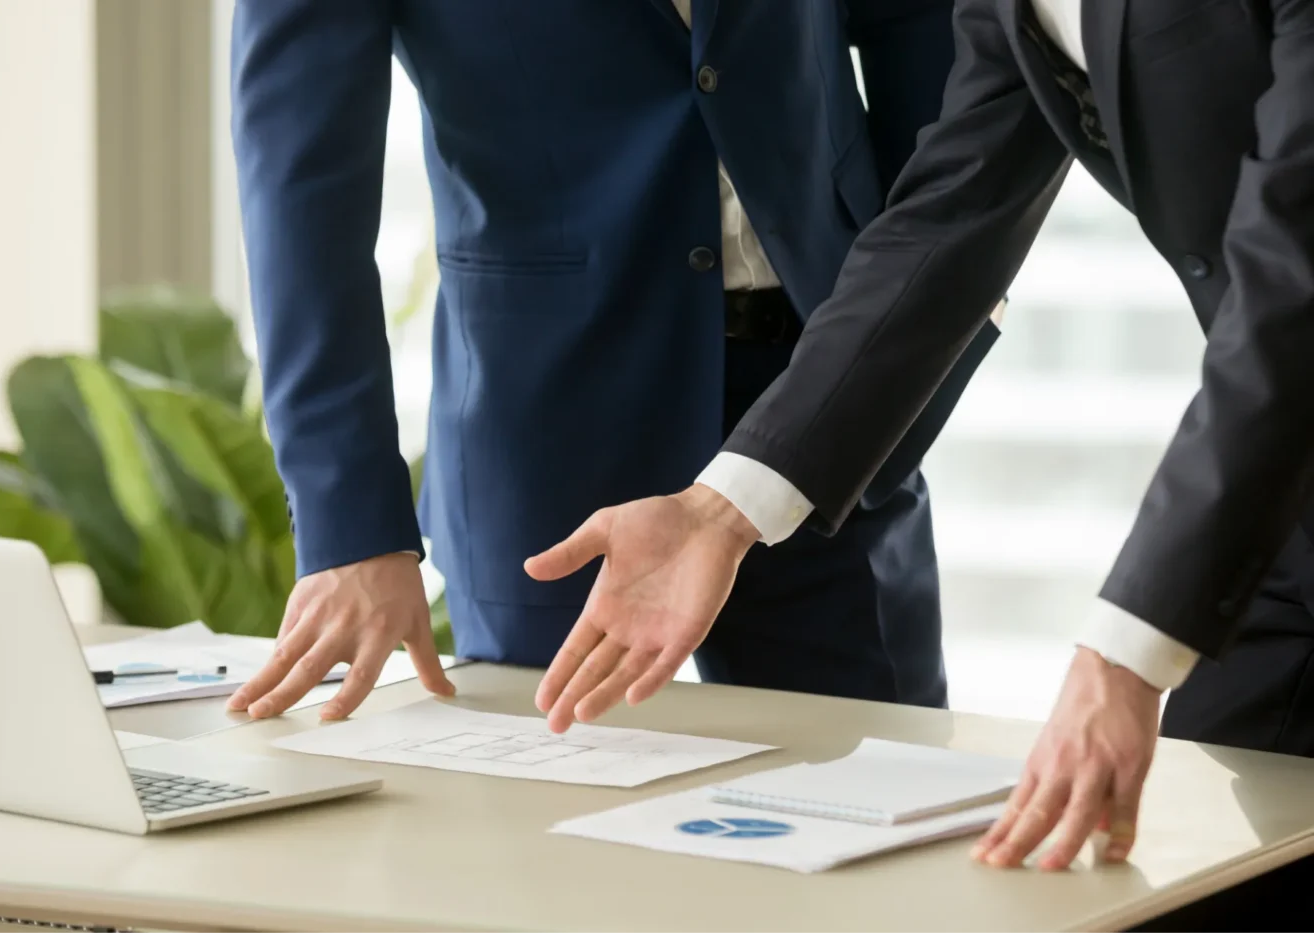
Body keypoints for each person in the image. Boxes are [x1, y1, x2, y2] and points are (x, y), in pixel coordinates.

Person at [530, 0, 1314, 871]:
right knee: (1213, 876)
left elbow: (1293, 299)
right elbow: (947, 217)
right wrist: (721, 512)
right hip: (1284, 516)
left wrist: (1122, 658)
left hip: (1276, 438)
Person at [226, 1, 998, 725]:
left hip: (825, 400)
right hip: (554, 432)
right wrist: (353, 527)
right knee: (557, 844)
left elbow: (924, 27)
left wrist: (906, 316)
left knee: (878, 803)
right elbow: (300, 188)